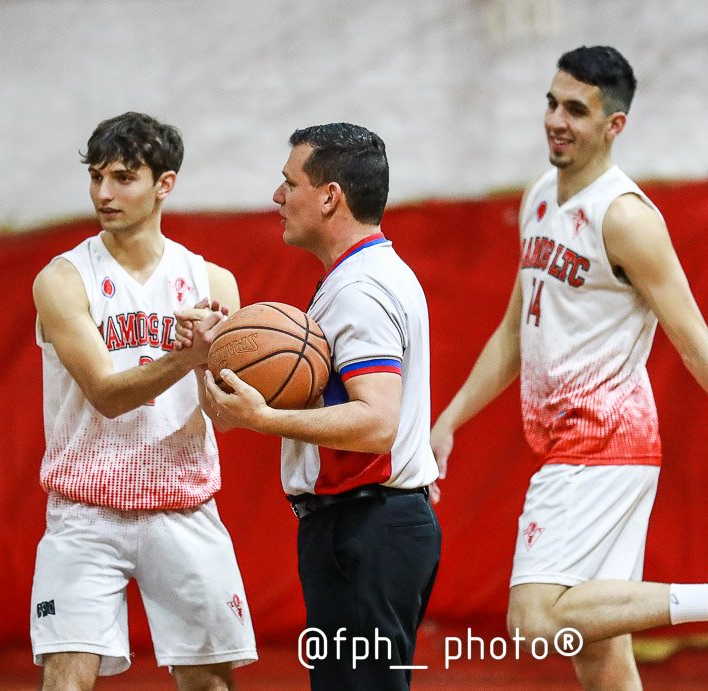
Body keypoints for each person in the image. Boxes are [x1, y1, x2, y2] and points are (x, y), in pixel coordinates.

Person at [429, 46, 708, 688]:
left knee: (534, 622)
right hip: (573, 445)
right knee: (600, 656)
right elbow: (514, 332)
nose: (556, 121)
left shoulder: (626, 218)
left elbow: (697, 345)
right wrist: (449, 420)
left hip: (601, 445)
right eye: (551, 102)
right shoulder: (540, 198)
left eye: (576, 110)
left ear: (613, 125)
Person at [194, 123, 441, 691]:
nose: (277, 197)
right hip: (367, 523)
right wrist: (219, 351)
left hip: (367, 524)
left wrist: (263, 419)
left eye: (289, 183)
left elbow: (378, 423)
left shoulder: (359, 289)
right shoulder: (369, 274)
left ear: (329, 195)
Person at [29, 111, 257, 690]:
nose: (104, 193)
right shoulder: (62, 279)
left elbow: (223, 417)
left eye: (123, 177)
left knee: (210, 685)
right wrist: (186, 355)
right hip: (85, 513)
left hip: (183, 507)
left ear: (165, 184)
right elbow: (106, 395)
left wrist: (239, 383)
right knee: (64, 682)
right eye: (96, 177)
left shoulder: (214, 283)